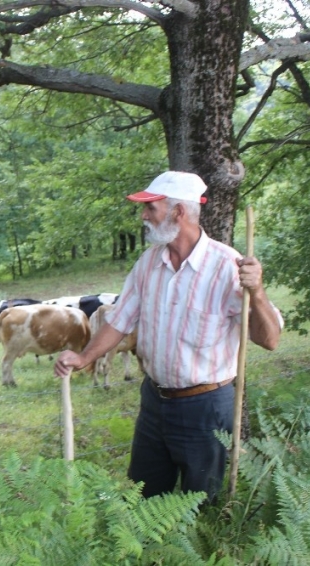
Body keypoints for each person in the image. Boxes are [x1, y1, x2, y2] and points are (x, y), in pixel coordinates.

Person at [54, 170, 282, 503]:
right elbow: (119, 320)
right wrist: (83, 357)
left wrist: (258, 292)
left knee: (200, 503)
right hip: (154, 401)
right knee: (143, 496)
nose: (143, 216)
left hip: (206, 406)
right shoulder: (148, 263)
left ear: (178, 212)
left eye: (151, 208)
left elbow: (270, 339)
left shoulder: (227, 266)